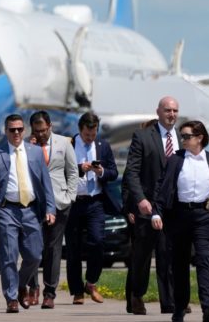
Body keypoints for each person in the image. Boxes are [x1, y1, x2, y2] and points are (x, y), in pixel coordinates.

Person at [152, 120, 209, 322]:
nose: (183, 139)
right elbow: (162, 187)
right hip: (179, 217)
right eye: (182, 136)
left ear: (199, 138)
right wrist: (156, 213)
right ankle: (179, 308)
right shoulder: (175, 160)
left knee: (205, 260)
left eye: (187, 136)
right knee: (179, 265)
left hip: (205, 218)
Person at [0, 114, 55, 313]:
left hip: (32, 210)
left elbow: (46, 184)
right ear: (5, 131)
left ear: (24, 131)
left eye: (19, 129)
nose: (16, 133)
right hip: (8, 210)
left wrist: (50, 208)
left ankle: (20, 284)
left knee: (35, 255)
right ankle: (12, 298)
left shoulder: (35, 153)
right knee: (8, 256)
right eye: (12, 129)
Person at [123, 96, 180, 315]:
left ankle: (170, 302)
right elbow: (132, 172)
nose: (171, 114)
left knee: (168, 256)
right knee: (142, 258)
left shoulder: (181, 138)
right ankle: (137, 295)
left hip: (172, 209)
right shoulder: (143, 136)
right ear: (158, 111)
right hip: (146, 208)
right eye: (167, 110)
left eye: (175, 110)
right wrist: (139, 199)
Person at [65, 111, 118, 305]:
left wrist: (101, 171)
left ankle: (91, 282)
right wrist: (80, 168)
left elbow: (113, 172)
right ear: (80, 130)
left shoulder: (103, 146)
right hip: (73, 202)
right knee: (73, 249)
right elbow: (59, 170)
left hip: (95, 201)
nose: (90, 138)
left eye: (93, 134)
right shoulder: (68, 145)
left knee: (97, 242)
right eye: (87, 134)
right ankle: (77, 291)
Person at [26, 110, 78, 309]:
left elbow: (73, 171)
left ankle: (50, 292)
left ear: (50, 127)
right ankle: (33, 287)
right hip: (33, 203)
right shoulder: (26, 146)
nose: (40, 134)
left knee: (53, 249)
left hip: (59, 202)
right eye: (36, 131)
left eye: (43, 130)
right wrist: (29, 148)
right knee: (32, 248)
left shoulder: (63, 143)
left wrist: (70, 197)